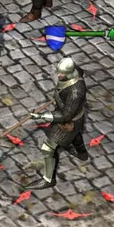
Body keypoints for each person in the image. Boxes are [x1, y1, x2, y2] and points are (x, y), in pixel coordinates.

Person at [28, 57, 88, 189]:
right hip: (70, 114)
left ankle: (48, 179)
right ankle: (82, 154)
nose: (59, 75)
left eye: (62, 73)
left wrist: (41, 116)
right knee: (76, 135)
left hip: (69, 121)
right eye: (59, 72)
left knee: (48, 149)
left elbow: (66, 116)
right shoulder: (74, 72)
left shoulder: (76, 92)